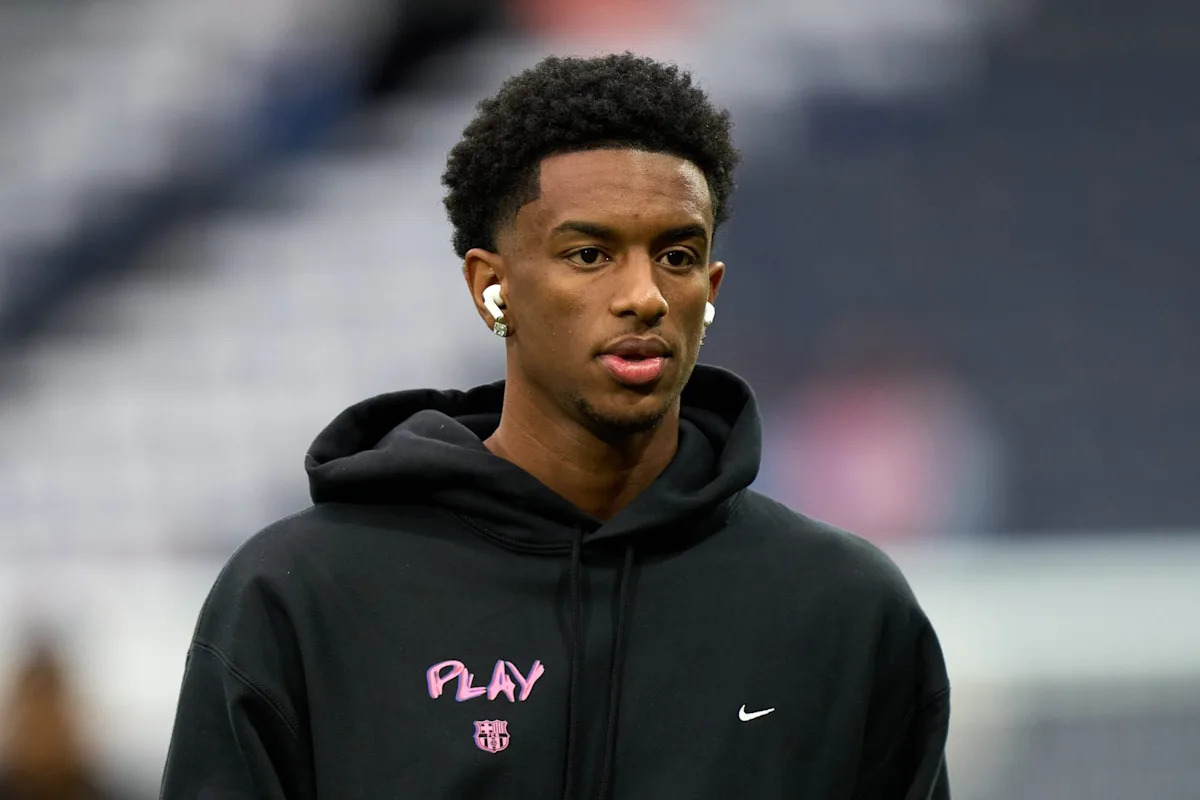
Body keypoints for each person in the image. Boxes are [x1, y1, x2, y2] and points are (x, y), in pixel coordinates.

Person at [161, 53, 950, 799]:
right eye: (589, 255)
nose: (644, 296)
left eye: (677, 256)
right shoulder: (303, 594)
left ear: (710, 290)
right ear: (492, 288)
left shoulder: (843, 609)